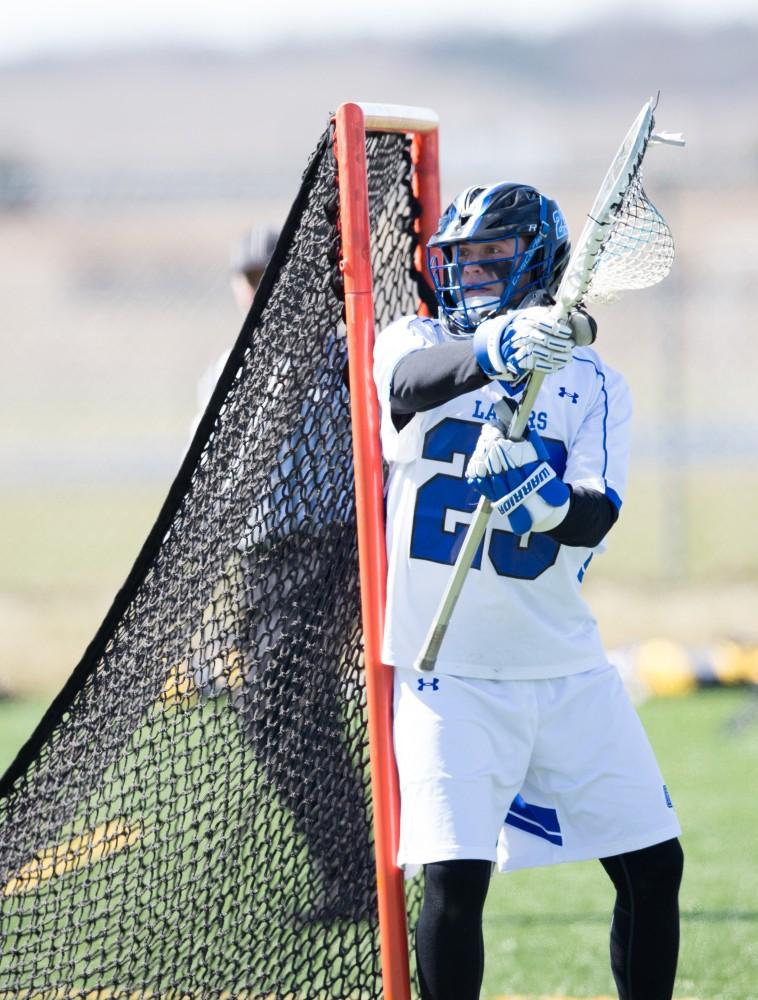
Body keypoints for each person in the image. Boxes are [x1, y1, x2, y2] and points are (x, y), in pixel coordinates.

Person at [373, 183, 683, 1000]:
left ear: (539, 262)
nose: (469, 276)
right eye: (461, 260)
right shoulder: (417, 337)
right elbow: (407, 385)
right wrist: (502, 345)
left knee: (655, 865)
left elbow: (594, 515)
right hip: (449, 672)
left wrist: (542, 503)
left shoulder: (593, 383)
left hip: (561, 663)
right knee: (456, 884)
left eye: (490, 259)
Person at [192, 223, 373, 922]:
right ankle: (357, 873)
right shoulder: (224, 370)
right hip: (262, 563)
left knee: (283, 706)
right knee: (278, 716)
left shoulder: (343, 354)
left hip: (329, 553)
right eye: (249, 276)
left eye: (271, 273)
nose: (258, 288)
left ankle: (361, 879)